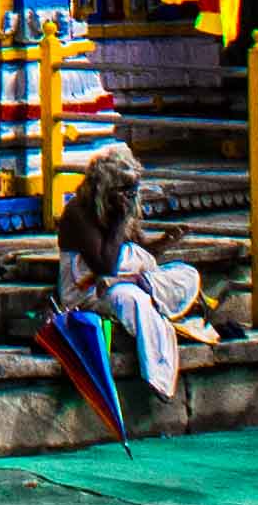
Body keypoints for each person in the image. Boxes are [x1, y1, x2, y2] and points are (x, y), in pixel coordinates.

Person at [54, 145, 208, 398]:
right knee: (133, 299)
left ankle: (153, 292)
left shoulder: (124, 208)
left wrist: (164, 242)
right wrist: (118, 222)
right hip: (90, 291)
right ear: (105, 189)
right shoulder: (79, 213)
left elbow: (141, 253)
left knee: (187, 274)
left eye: (134, 190)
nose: (131, 197)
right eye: (125, 191)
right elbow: (105, 266)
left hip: (131, 280)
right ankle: (158, 377)